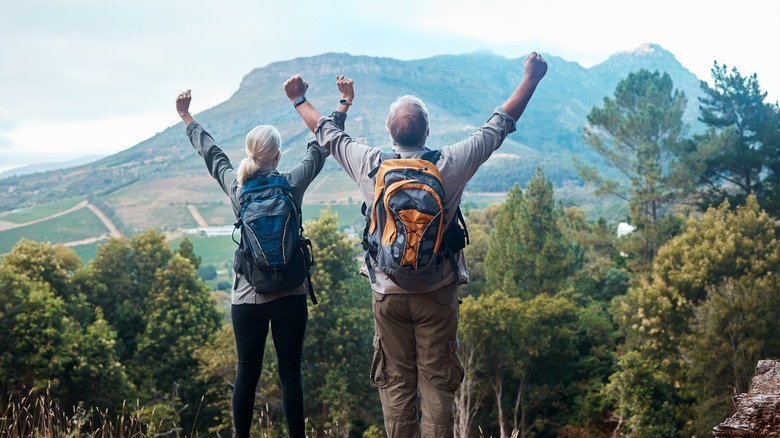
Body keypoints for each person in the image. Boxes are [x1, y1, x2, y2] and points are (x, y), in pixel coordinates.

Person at [283, 52, 548, 437]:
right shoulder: (450, 163)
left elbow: (327, 133)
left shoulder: (371, 164)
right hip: (438, 290)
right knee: (438, 383)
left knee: (395, 383)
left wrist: (298, 99)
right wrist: (531, 78)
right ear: (427, 132)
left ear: (390, 134)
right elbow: (498, 126)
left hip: (386, 293)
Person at [175, 80, 355, 438]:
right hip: (290, 292)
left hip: (247, 297)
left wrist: (186, 116)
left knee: (246, 373)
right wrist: (342, 106)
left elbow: (214, 157)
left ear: (250, 154)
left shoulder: (239, 189)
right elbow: (322, 146)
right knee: (290, 373)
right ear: (276, 156)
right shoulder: (291, 183)